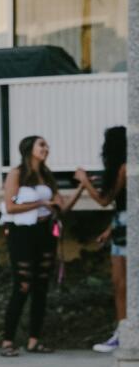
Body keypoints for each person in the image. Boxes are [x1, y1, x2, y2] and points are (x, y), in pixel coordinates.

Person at [0, 134, 78, 357]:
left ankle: (34, 340)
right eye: (41, 145)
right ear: (29, 149)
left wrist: (82, 188)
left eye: (46, 145)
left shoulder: (47, 176)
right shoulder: (17, 174)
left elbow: (62, 206)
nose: (46, 148)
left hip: (45, 231)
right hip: (22, 232)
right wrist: (41, 203)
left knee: (41, 285)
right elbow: (10, 206)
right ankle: (7, 340)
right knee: (22, 284)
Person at [71, 126, 127, 354]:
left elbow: (105, 200)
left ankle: (123, 333)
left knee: (121, 283)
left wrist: (84, 182)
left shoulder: (123, 168)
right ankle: (124, 330)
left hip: (126, 225)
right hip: (123, 223)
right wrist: (110, 228)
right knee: (121, 283)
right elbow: (125, 204)